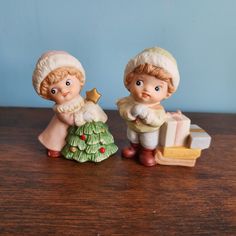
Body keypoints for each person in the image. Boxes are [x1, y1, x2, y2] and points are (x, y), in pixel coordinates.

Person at [32, 51, 107, 158]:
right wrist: (83, 116)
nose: (63, 90)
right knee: (59, 137)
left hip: (80, 128)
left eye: (68, 83)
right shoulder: (62, 109)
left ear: (79, 79)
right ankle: (55, 147)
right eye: (54, 91)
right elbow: (69, 120)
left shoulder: (81, 99)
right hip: (65, 128)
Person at [117, 47, 180, 166]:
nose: (146, 89)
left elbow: (158, 121)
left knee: (148, 141)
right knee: (132, 136)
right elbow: (123, 110)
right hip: (132, 128)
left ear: (167, 92)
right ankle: (133, 148)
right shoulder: (128, 101)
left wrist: (146, 114)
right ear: (129, 82)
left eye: (157, 88)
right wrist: (131, 112)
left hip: (149, 131)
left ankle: (146, 152)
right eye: (139, 82)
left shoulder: (157, 108)